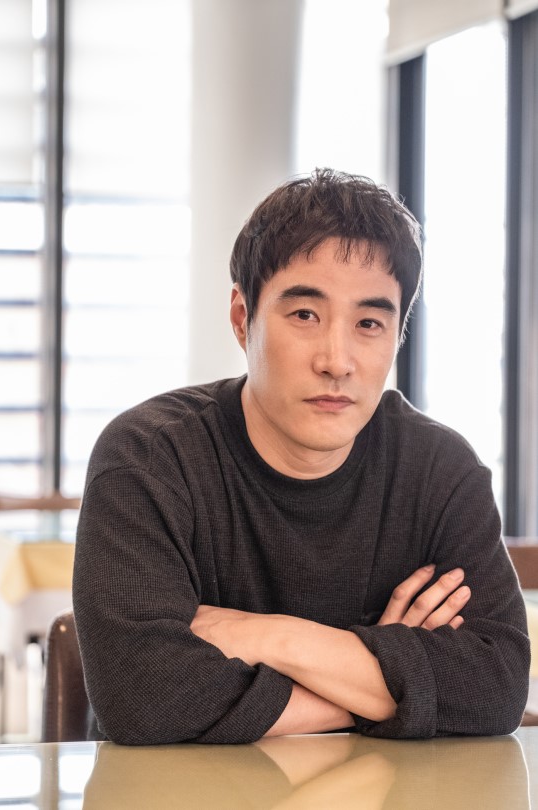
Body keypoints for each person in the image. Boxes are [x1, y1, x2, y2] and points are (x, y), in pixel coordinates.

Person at [73, 168, 530, 745]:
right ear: (242, 318)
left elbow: (498, 688)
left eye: (369, 323)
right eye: (305, 315)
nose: (336, 360)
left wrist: (273, 638)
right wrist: (387, 680)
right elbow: (142, 700)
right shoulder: (150, 457)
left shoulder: (439, 470)